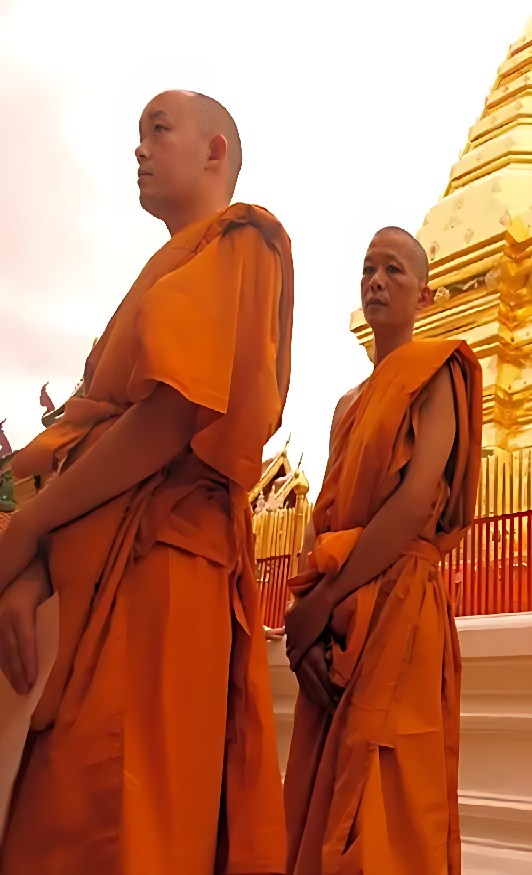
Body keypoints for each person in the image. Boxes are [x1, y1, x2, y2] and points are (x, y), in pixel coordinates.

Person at [0, 90, 292, 874]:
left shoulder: (244, 242)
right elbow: (89, 442)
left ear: (214, 152)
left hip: (166, 568)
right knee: (57, 814)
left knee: (135, 828)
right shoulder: (162, 274)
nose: (140, 148)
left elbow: (172, 415)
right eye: (137, 133)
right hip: (88, 575)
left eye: (157, 129)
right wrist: (31, 570)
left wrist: (27, 528)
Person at [282, 226, 482, 874]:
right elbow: (325, 518)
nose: (375, 280)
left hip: (401, 614)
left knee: (391, 808)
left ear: (423, 295)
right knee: (325, 799)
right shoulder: (347, 407)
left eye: (393, 270)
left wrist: (326, 600)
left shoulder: (438, 372)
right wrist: (309, 622)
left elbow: (419, 500)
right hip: (339, 626)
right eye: (368, 269)